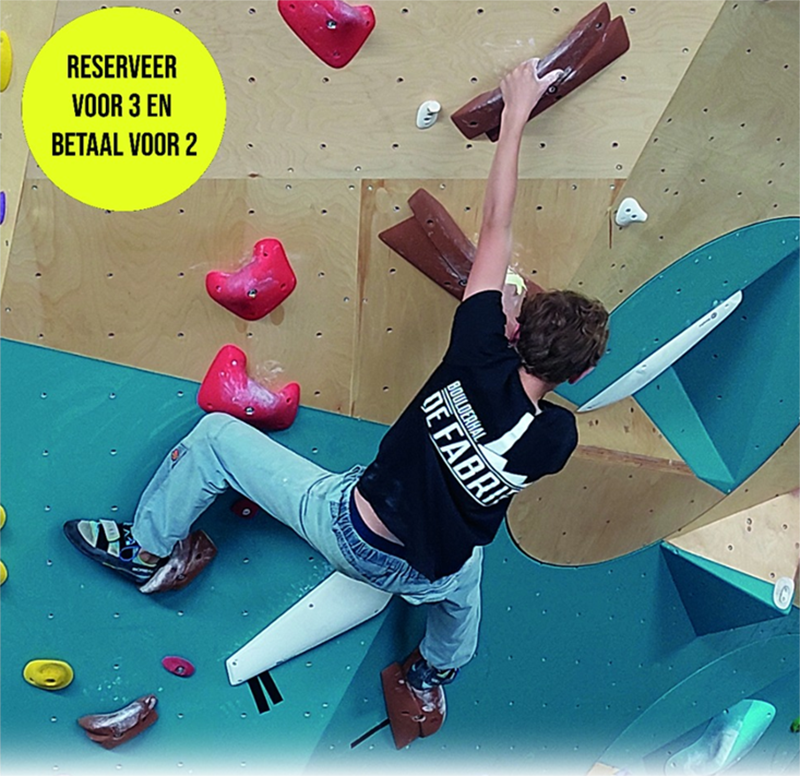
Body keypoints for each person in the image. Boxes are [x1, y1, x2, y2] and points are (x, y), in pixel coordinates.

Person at [64, 59, 609, 721]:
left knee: (215, 439)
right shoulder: (556, 437)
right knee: (465, 585)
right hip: (432, 568)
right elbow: (519, 406)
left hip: (354, 531)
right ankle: (432, 672)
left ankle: (148, 549)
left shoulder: (476, 346)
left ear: (512, 327)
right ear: (577, 378)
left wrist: (516, 113)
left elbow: (496, 227)